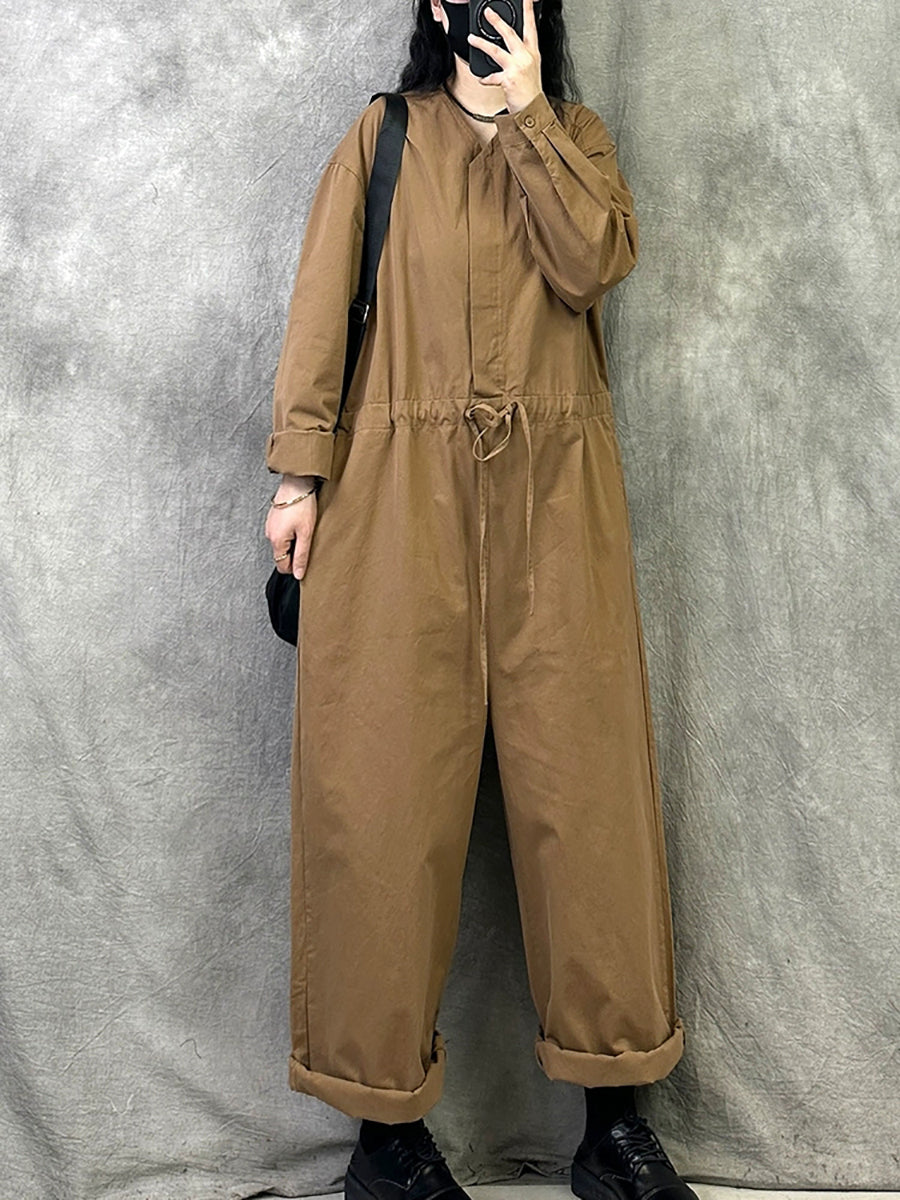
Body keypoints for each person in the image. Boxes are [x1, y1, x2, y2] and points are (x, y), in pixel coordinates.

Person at [264, 3, 697, 1199]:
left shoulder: (578, 138)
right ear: (433, 8)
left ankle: (615, 1128)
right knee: (382, 805)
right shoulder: (384, 137)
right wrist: (297, 478)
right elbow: (321, 309)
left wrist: (526, 118)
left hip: (559, 508)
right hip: (396, 502)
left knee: (589, 806)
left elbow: (592, 263)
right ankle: (384, 1144)